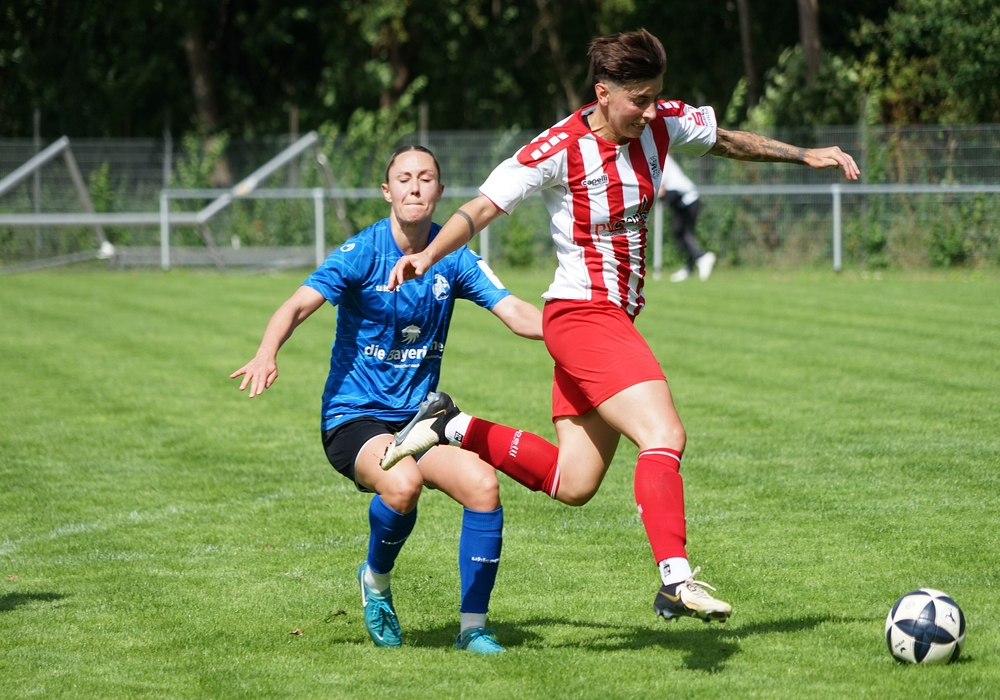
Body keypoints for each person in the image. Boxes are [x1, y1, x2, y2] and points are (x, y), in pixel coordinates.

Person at [381, 29, 859, 627]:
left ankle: (449, 424)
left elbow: (725, 139)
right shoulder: (557, 147)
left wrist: (804, 154)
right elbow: (480, 209)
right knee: (665, 433)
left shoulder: (661, 121)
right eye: (639, 99)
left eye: (657, 95)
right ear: (603, 93)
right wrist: (429, 254)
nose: (652, 110)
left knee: (573, 481)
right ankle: (676, 580)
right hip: (583, 316)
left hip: (607, 319)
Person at [231, 145, 543, 654]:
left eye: (426, 178)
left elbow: (514, 311)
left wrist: (575, 333)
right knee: (402, 484)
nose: (414, 187)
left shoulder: (453, 255)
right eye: (404, 178)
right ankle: (375, 581)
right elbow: (297, 304)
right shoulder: (363, 252)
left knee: (483, 486)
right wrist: (267, 352)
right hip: (353, 418)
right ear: (387, 190)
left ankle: (473, 629)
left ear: (440, 191)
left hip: (421, 419)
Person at [659, 155, 715, 282]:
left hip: (688, 200)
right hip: (682, 202)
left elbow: (662, 189)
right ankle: (689, 268)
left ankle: (702, 257)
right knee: (679, 231)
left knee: (683, 232)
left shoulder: (660, 158)